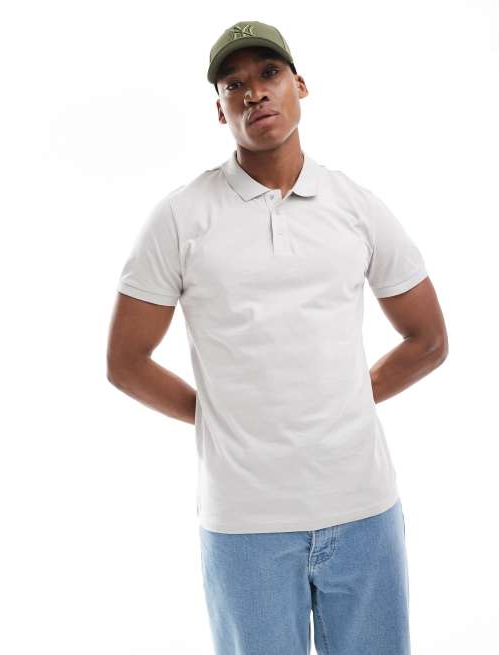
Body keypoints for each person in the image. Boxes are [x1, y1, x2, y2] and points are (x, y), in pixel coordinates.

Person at [107, 20, 448, 655]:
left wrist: (348, 397)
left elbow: (428, 340)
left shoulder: (355, 205)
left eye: (269, 74)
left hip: (363, 510)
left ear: (300, 86)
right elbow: (126, 362)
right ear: (220, 110)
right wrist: (218, 415)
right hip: (245, 523)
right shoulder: (181, 217)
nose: (254, 93)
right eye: (233, 85)